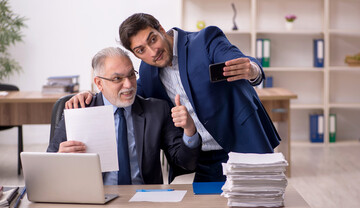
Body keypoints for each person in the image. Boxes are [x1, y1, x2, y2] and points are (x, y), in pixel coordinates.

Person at [66, 13, 280, 182]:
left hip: (241, 143)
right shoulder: (147, 73)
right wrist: (95, 93)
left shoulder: (205, 40)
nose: (152, 52)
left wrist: (251, 70)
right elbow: (127, 93)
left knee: (261, 200)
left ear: (160, 28)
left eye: (152, 39)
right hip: (201, 157)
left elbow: (236, 59)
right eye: (141, 50)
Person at [47, 47, 201, 185]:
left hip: (144, 199)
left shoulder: (156, 110)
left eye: (131, 75)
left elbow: (185, 164)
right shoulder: (79, 109)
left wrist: (189, 130)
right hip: (94, 198)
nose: (128, 85)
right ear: (99, 84)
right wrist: (60, 159)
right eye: (117, 79)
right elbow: (47, 169)